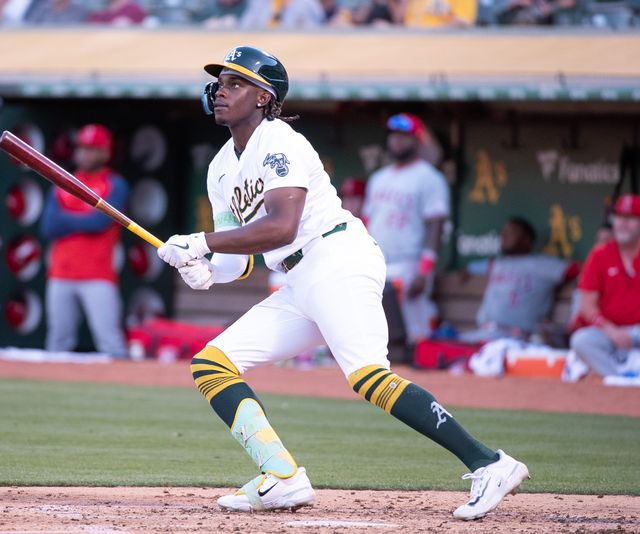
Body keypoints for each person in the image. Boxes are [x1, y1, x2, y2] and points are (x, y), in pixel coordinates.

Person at [156, 45, 529, 520]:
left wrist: (202, 241)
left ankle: (489, 462)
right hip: (296, 279)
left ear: (265, 98)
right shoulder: (220, 168)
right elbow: (240, 261)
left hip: (336, 257)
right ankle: (283, 477)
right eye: (221, 83)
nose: (221, 91)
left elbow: (282, 226)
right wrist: (202, 269)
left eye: (236, 83)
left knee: (369, 376)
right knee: (213, 365)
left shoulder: (281, 142)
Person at [40, 124, 129, 358]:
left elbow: (99, 223)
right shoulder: (64, 181)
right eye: (82, 148)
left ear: (105, 152)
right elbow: (49, 226)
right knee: (58, 341)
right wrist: (84, 217)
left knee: (110, 343)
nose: (85, 154)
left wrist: (68, 219)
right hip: (61, 273)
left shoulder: (115, 184)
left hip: (98, 275)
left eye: (92, 149)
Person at [361, 112, 450, 344]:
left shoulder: (429, 177)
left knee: (416, 332)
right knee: (375, 331)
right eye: (394, 136)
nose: (397, 141)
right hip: (378, 261)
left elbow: (436, 225)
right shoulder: (378, 178)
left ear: (417, 140)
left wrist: (425, 269)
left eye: (404, 136)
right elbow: (367, 222)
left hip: (409, 262)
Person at [459, 217, 577, 343]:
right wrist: (470, 268)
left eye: (511, 232)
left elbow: (577, 269)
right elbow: (473, 267)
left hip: (517, 337)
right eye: (504, 232)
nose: (504, 236)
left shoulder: (542, 265)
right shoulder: (498, 263)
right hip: (485, 333)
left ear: (526, 240)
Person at [570, 194, 640, 378]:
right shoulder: (600, 254)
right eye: (619, 217)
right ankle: (618, 380)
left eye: (631, 218)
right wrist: (613, 331)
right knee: (582, 340)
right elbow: (587, 306)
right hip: (609, 331)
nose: (623, 223)